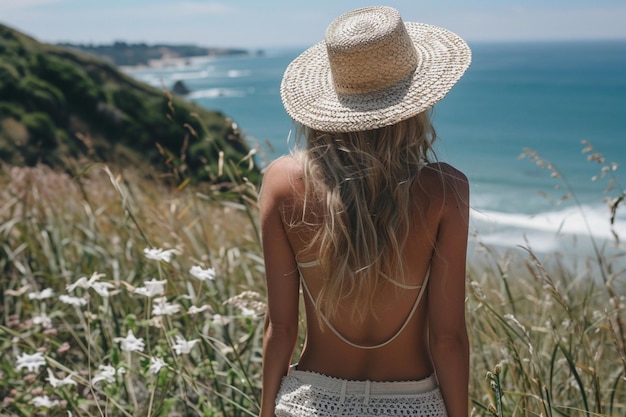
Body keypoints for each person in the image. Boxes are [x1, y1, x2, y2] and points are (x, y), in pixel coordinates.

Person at [259, 6, 471, 417]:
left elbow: (280, 328)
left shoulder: (283, 182)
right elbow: (448, 339)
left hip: (311, 403)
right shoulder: (445, 190)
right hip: (412, 406)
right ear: (415, 103)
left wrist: (266, 411)